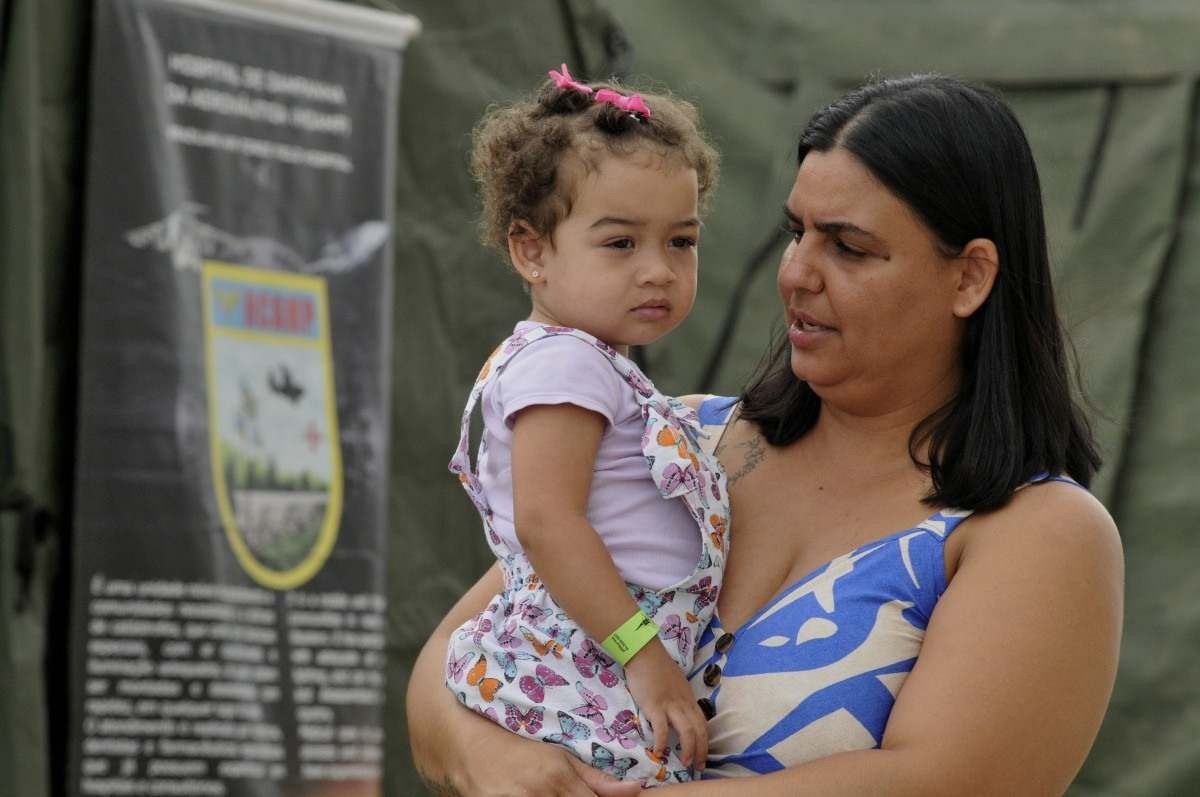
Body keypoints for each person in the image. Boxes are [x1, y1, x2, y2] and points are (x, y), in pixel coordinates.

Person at [408, 73, 1124, 796]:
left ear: (969, 277)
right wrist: (495, 759)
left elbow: (945, 779)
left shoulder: (1038, 531)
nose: (796, 272)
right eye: (796, 232)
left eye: (847, 246)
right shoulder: (677, 437)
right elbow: (448, 663)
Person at [440, 64, 728, 788]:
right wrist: (644, 656)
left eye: (681, 242)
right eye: (620, 243)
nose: (658, 270)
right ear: (531, 250)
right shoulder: (566, 364)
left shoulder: (589, 365)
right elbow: (549, 523)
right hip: (588, 667)